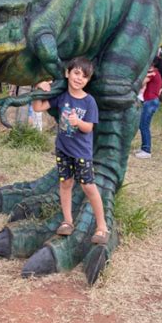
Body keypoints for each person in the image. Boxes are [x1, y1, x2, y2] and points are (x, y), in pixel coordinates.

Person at [32, 57, 109, 243]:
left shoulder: (89, 101)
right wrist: (39, 89)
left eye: (84, 76)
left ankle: (102, 226)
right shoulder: (61, 97)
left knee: (88, 186)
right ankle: (67, 221)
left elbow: (89, 128)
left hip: (82, 153)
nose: (79, 78)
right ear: (68, 73)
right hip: (63, 150)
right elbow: (38, 107)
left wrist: (78, 122)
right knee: (65, 184)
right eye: (76, 73)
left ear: (88, 80)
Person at [136, 57, 162, 159]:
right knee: (143, 125)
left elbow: (140, 83)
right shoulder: (159, 74)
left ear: (153, 64)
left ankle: (146, 150)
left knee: (144, 126)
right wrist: (160, 90)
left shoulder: (153, 73)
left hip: (149, 102)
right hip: (153, 101)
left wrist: (146, 75)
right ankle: (144, 147)